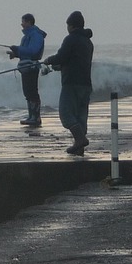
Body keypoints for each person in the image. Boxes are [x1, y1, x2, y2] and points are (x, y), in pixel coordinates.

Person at [43, 10, 94, 155]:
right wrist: (58, 66)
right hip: (86, 84)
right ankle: (80, 148)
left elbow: (61, 56)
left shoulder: (70, 39)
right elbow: (73, 61)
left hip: (71, 83)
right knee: (81, 115)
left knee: (66, 113)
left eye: (67, 25)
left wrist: (49, 60)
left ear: (71, 26)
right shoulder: (88, 42)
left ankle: (80, 140)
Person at [7, 13, 46, 127]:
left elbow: (33, 51)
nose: (22, 24)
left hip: (32, 67)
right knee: (27, 92)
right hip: (25, 67)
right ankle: (31, 116)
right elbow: (25, 52)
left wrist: (18, 49)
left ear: (29, 22)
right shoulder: (26, 37)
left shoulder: (36, 35)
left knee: (32, 92)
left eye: (23, 22)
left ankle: (36, 117)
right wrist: (15, 53)